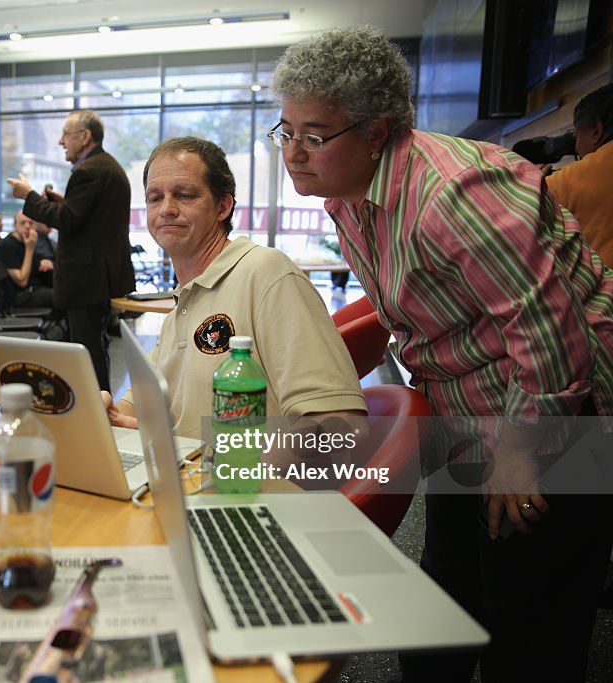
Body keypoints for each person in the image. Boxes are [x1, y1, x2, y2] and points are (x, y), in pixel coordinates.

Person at [272, 26, 613, 682]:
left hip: (562, 409)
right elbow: (413, 313)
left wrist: (516, 454)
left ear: (376, 133)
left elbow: (550, 335)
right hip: (468, 403)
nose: (293, 152)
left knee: (528, 614)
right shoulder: (350, 194)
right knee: (447, 593)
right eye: (285, 131)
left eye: (314, 135)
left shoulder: (453, 193)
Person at [104, 137, 366, 439]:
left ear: (223, 207)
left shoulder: (267, 273)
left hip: (251, 484)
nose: (166, 209)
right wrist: (105, 414)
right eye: (154, 198)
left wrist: (231, 469)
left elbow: (340, 425)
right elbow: (134, 409)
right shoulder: (183, 304)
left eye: (185, 195)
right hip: (189, 478)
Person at [6, 109, 135, 392]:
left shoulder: (89, 171)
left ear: (85, 137)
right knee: (94, 346)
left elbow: (67, 221)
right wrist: (65, 202)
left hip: (87, 276)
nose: (61, 142)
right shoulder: (104, 166)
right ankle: (101, 406)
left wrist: (27, 196)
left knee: (88, 350)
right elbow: (86, 217)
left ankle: (99, 412)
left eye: (66, 134)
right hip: (97, 274)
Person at [546, 84, 613, 268]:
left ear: (596, 132)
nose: (576, 147)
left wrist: (533, 180)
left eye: (577, 135)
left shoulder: (564, 182)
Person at [0, 211, 55, 310]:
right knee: (66, 297)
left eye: (30, 223)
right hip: (21, 296)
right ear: (14, 225)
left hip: (36, 288)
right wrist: (29, 249)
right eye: (23, 223)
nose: (27, 226)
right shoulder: (7, 246)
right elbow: (22, 280)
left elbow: (35, 266)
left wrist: (43, 263)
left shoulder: (25, 241)